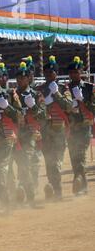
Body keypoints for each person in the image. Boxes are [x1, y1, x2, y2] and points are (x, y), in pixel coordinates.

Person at [0, 60, 22, 213]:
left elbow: (19, 116)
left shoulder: (9, 94)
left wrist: (7, 108)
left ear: (1, 79)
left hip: (7, 135)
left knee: (2, 167)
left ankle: (6, 202)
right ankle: (6, 199)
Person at [36, 56, 73, 200]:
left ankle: (56, 190)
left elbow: (69, 106)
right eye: (47, 73)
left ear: (56, 74)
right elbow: (37, 110)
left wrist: (56, 93)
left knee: (56, 160)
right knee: (48, 160)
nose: (49, 75)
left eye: (52, 73)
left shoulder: (64, 88)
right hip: (45, 130)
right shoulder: (39, 90)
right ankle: (53, 187)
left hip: (59, 131)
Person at [12, 61, 46, 206]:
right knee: (22, 162)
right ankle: (25, 188)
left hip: (31, 133)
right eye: (19, 78)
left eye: (23, 78)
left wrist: (33, 107)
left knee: (26, 161)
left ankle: (29, 193)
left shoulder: (36, 94)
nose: (21, 80)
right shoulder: (12, 95)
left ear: (28, 79)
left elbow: (44, 115)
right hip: (16, 134)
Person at [67, 56, 95, 196]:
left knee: (81, 154)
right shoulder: (65, 88)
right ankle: (80, 183)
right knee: (73, 156)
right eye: (71, 72)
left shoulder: (90, 88)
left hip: (84, 126)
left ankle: (79, 181)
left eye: (76, 72)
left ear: (82, 72)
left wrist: (83, 100)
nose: (74, 75)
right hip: (71, 127)